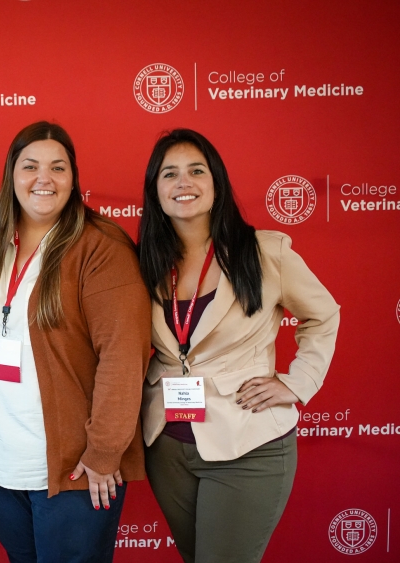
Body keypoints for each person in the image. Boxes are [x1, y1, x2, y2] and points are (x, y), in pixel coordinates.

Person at [137, 129, 340, 563]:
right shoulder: (144, 261)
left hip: (249, 444)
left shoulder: (267, 252)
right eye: (169, 174)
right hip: (167, 447)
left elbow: (323, 316)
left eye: (196, 171)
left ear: (217, 182)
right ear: (155, 190)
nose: (183, 182)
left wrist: (299, 381)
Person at [0, 121, 151, 563]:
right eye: (30, 166)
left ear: (72, 179)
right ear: (11, 175)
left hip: (73, 471)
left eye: (57, 168)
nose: (43, 179)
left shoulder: (100, 249)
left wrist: (104, 452)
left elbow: (123, 356)